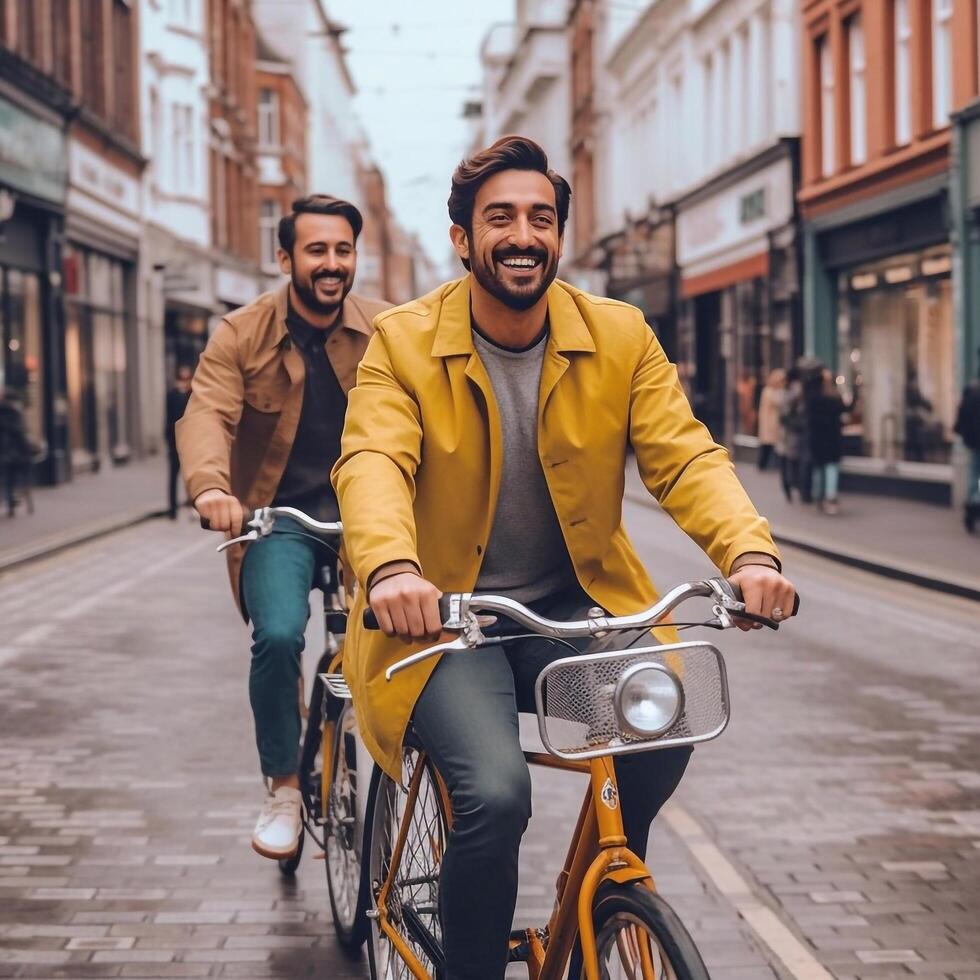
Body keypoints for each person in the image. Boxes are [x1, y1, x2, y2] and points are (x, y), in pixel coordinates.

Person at [333, 136, 797, 979]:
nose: (522, 235)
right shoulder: (400, 343)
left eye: (540, 219)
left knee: (665, 728)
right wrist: (394, 569)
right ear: (463, 239)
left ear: (559, 236)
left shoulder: (619, 335)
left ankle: (593, 905)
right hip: (449, 625)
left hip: (573, 611)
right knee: (496, 796)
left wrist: (750, 552)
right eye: (500, 218)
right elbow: (373, 462)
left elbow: (684, 456)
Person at [176, 195, 391, 860]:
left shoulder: (388, 328)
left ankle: (396, 760)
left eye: (343, 251)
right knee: (275, 637)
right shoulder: (242, 333)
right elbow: (207, 412)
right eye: (317, 251)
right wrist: (213, 487)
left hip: (369, 518)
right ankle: (285, 789)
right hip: (280, 518)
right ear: (286, 258)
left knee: (409, 635)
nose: (332, 265)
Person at [807, 368, 847, 515]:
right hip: (830, 437)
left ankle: (818, 497)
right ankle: (829, 498)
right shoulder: (832, 397)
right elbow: (845, 408)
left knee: (820, 468)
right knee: (830, 468)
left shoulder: (812, 397)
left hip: (819, 437)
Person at [954, 352, 980, 533]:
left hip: (972, 441)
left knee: (974, 475)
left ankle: (973, 501)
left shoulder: (971, 389)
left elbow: (962, 416)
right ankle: (974, 503)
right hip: (974, 440)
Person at [165, 366, 193, 519]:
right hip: (175, 443)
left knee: (190, 477)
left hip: (189, 443)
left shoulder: (192, 395)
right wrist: (168, 441)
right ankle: (172, 509)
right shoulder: (172, 395)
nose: (184, 382)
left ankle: (192, 507)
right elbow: (168, 420)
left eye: (186, 379)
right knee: (173, 476)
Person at [757, 368, 786, 472]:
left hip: (773, 422)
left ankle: (768, 465)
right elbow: (778, 402)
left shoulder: (771, 391)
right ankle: (762, 465)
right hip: (769, 422)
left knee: (771, 445)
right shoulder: (769, 391)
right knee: (767, 445)